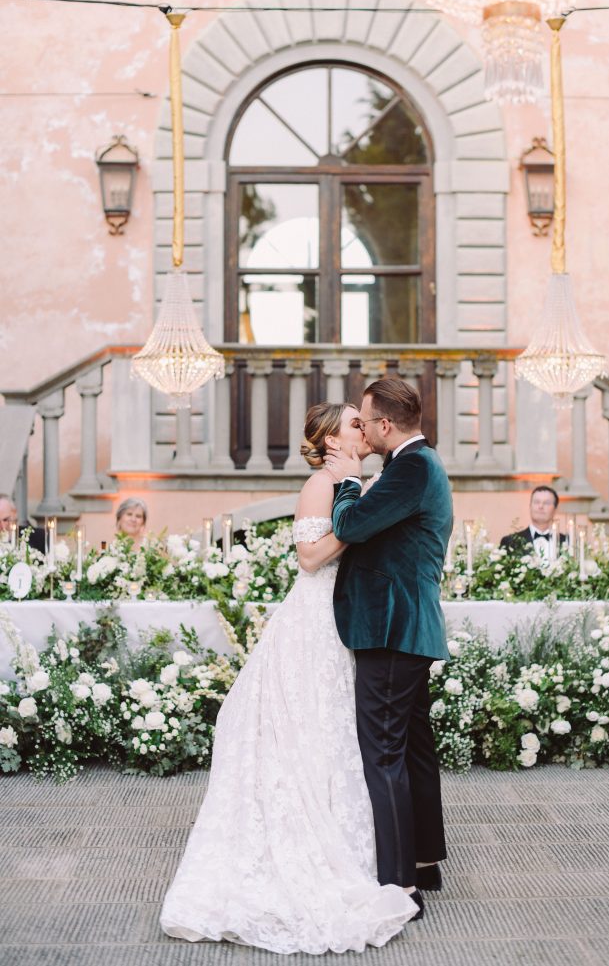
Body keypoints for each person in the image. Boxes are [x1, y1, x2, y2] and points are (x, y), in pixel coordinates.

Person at [160, 402, 417, 953]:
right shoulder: (321, 485)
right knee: (308, 726)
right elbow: (310, 556)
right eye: (353, 423)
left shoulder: (355, 481)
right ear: (331, 438)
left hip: (342, 620)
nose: (363, 429)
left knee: (335, 733)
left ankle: (350, 843)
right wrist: (357, 521)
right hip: (314, 619)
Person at [324, 377, 453, 920]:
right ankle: (424, 860)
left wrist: (349, 482)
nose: (364, 429)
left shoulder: (412, 468)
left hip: (393, 630)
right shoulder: (417, 465)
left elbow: (350, 526)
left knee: (383, 753)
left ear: (385, 424)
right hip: (405, 629)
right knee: (412, 749)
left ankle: (400, 886)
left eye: (366, 420)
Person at [499, 485, 568, 558]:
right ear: (530, 506)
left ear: (555, 509)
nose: (541, 506)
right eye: (536, 502)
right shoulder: (510, 542)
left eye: (547, 503)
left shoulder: (567, 542)